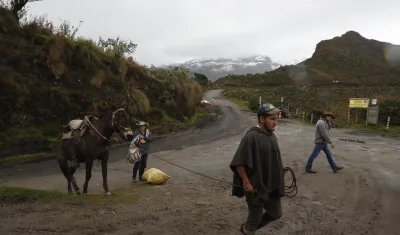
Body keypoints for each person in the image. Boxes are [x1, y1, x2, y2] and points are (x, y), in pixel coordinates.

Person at [230, 103, 287, 235]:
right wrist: (246, 183)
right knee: (254, 219)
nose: (275, 122)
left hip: (272, 185)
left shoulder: (271, 135)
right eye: (272, 119)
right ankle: (248, 230)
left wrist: (280, 165)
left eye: (276, 119)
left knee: (276, 213)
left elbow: (274, 154)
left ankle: (248, 229)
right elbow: (239, 163)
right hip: (256, 187)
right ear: (262, 119)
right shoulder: (251, 137)